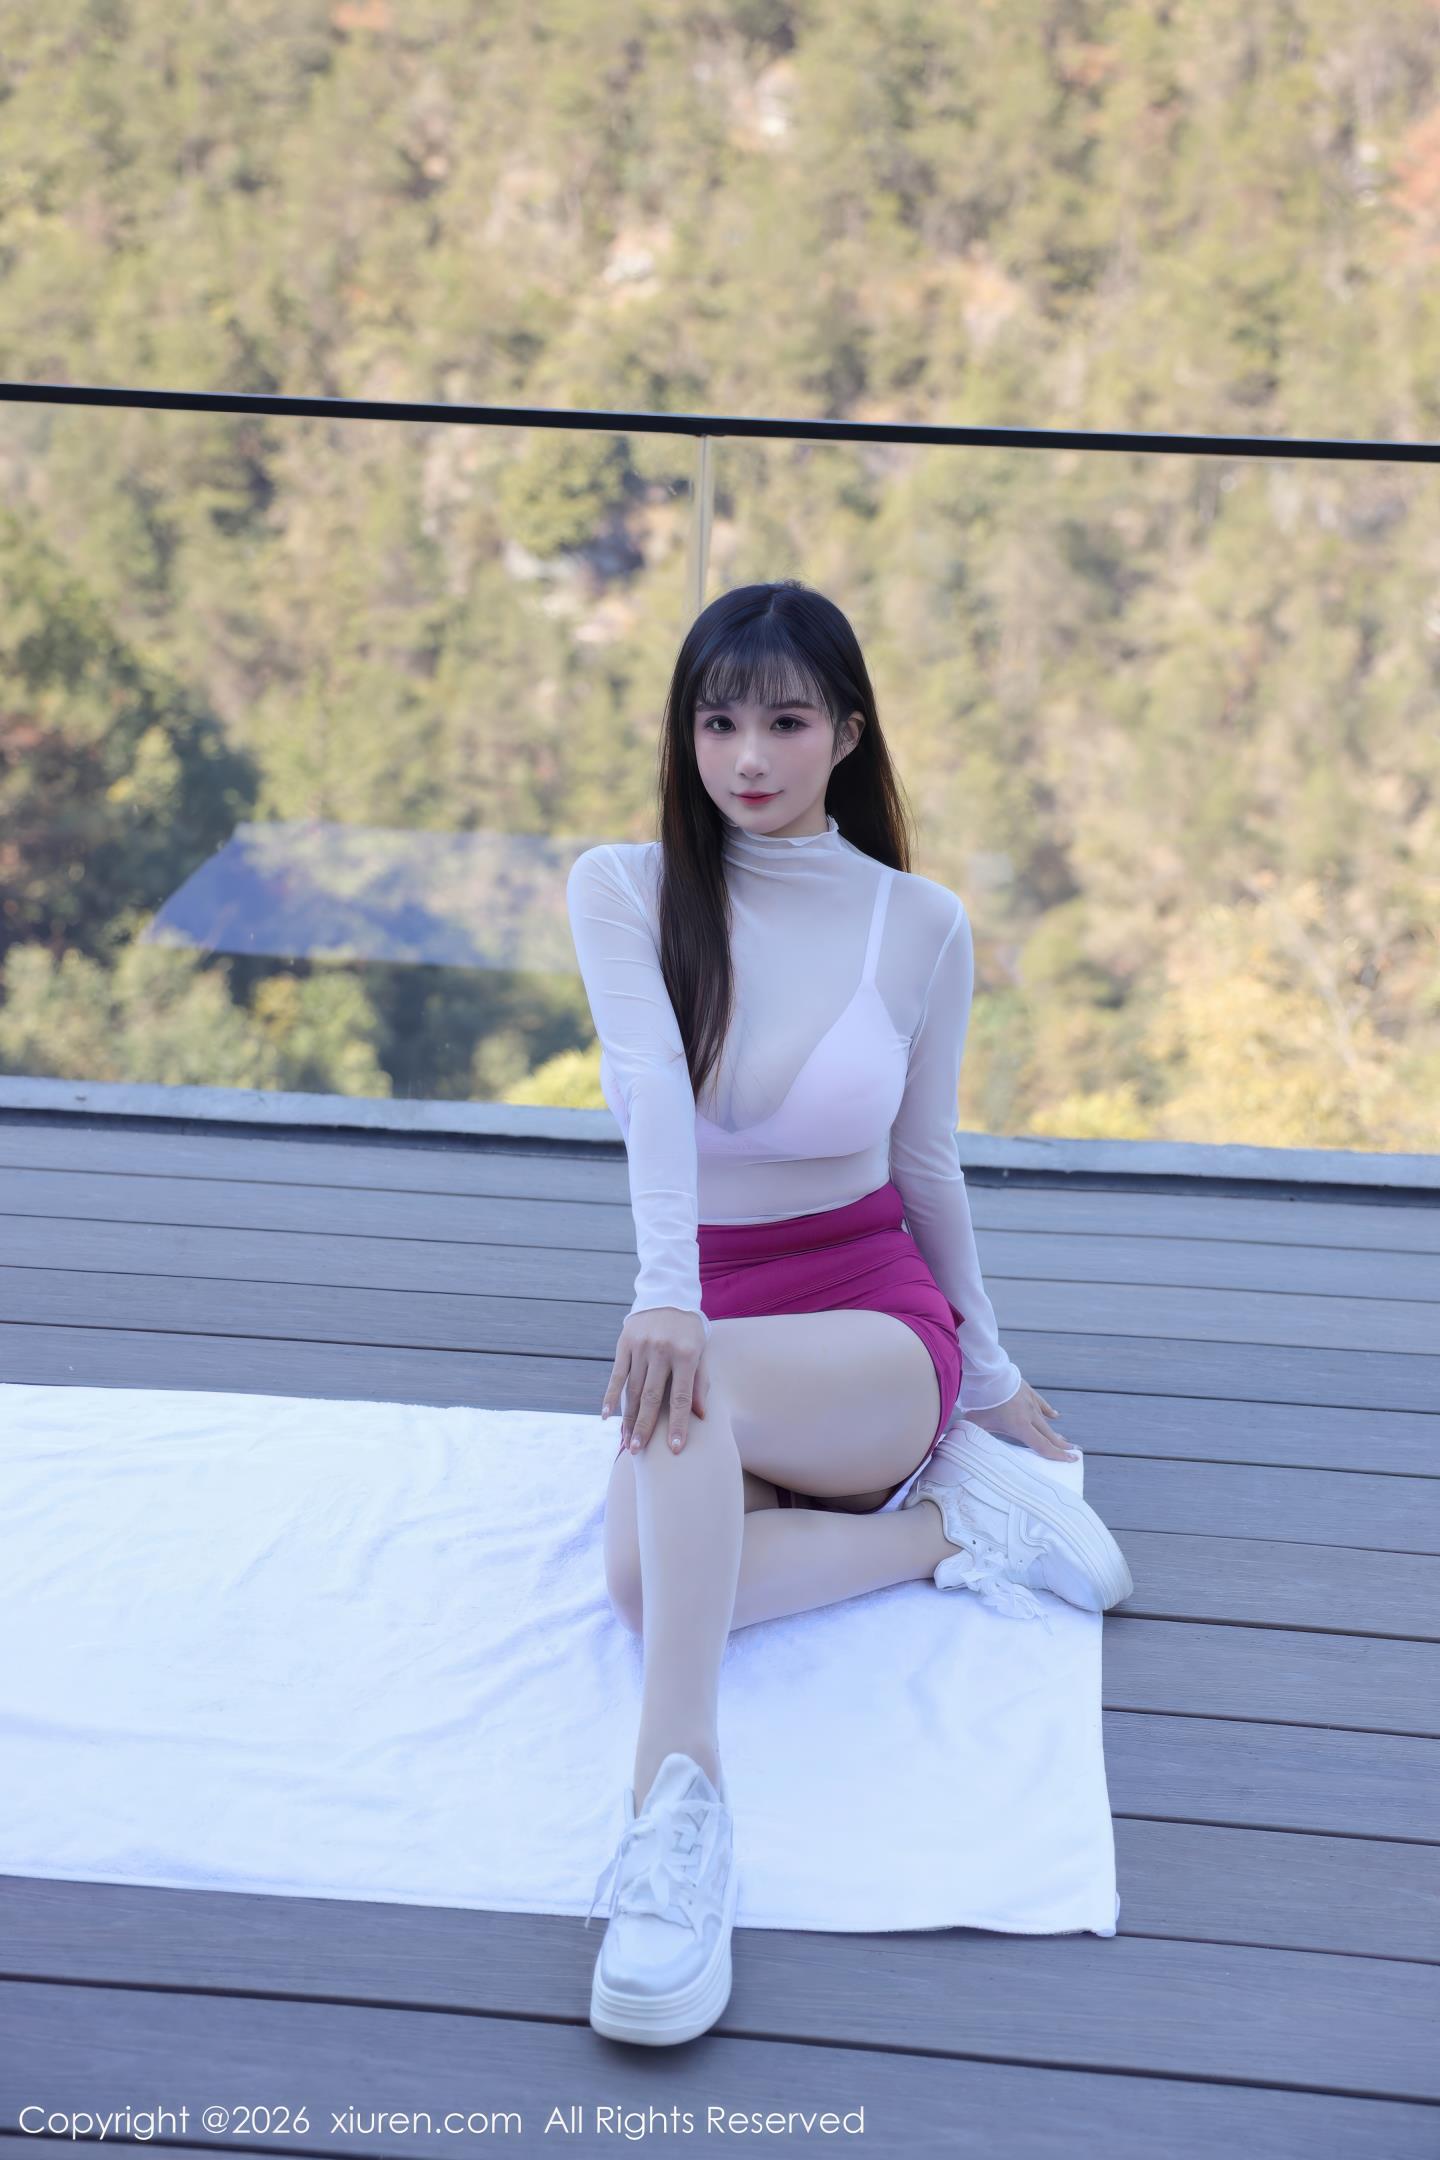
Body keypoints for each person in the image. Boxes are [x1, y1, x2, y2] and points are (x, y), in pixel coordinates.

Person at [566, 579, 1132, 2047]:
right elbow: (650, 1092)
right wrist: (668, 1294)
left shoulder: (918, 922)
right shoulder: (623, 889)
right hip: (710, 1309)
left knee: (693, 1421)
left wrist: (988, 1372)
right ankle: (950, 1534)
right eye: (718, 723)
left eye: (786, 721)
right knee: (646, 1591)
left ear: (849, 734)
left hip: (869, 1321)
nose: (749, 756)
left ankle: (676, 1822)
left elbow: (925, 1163)